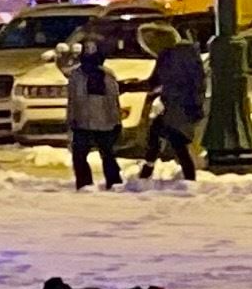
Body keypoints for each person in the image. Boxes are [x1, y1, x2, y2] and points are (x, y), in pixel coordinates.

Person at [136, 31, 207, 183]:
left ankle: (186, 177)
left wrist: (133, 86)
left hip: (180, 106)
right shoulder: (184, 54)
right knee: (162, 134)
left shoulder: (171, 57)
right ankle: (148, 171)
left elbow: (157, 81)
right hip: (180, 105)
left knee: (174, 140)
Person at [64, 35, 124, 189]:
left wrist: (116, 121)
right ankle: (88, 183)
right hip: (89, 122)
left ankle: (111, 182)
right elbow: (73, 101)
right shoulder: (79, 76)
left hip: (96, 122)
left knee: (104, 154)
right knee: (85, 155)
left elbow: (112, 101)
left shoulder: (102, 76)